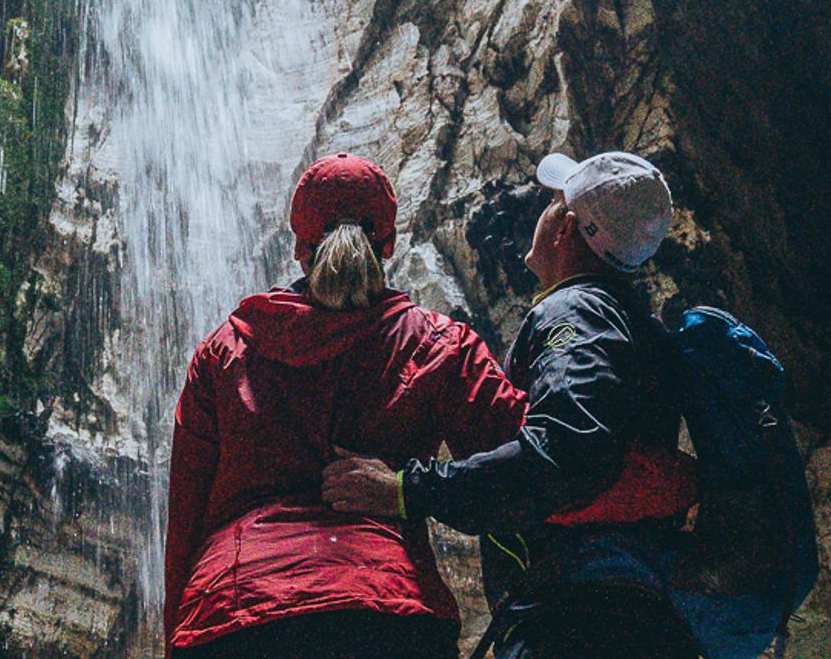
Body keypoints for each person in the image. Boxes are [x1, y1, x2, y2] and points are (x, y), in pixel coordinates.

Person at [166, 153, 692, 659]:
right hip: (386, 612)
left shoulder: (223, 351)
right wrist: (670, 482)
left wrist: (178, 635)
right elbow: (543, 470)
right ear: (389, 243)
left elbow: (185, 521)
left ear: (300, 245)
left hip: (231, 613)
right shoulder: (439, 343)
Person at [321, 150, 698, 659]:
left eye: (552, 202)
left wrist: (411, 489)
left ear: (566, 228)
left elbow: (563, 453)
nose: (539, 213)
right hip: (634, 604)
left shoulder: (578, 314)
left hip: (580, 617)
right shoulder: (632, 322)